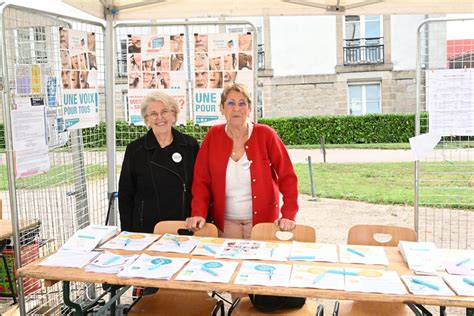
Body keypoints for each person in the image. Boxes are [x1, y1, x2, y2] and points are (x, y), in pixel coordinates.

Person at [186, 83, 298, 239]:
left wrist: (288, 214)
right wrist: (198, 212)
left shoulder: (266, 135)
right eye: (231, 103)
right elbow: (201, 180)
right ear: (222, 108)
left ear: (249, 109)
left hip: (262, 222)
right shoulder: (213, 135)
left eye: (242, 103)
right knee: (229, 261)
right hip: (226, 222)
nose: (236, 108)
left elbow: (287, 176)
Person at [119, 91, 200, 233]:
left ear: (174, 115)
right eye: (153, 114)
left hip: (183, 226)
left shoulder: (190, 146)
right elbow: (126, 195)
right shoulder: (135, 150)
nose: (160, 118)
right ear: (147, 119)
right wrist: (127, 233)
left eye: (165, 112)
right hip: (146, 228)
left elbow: (200, 186)